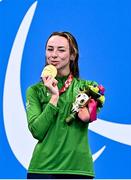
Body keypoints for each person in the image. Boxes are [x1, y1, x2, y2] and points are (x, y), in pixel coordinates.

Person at [26, 31, 105, 179]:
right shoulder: (35, 91)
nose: (54, 55)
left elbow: (94, 109)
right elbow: (37, 131)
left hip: (78, 169)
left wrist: (89, 115)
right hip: (43, 169)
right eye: (50, 49)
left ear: (72, 55)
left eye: (61, 50)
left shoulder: (88, 88)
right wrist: (54, 97)